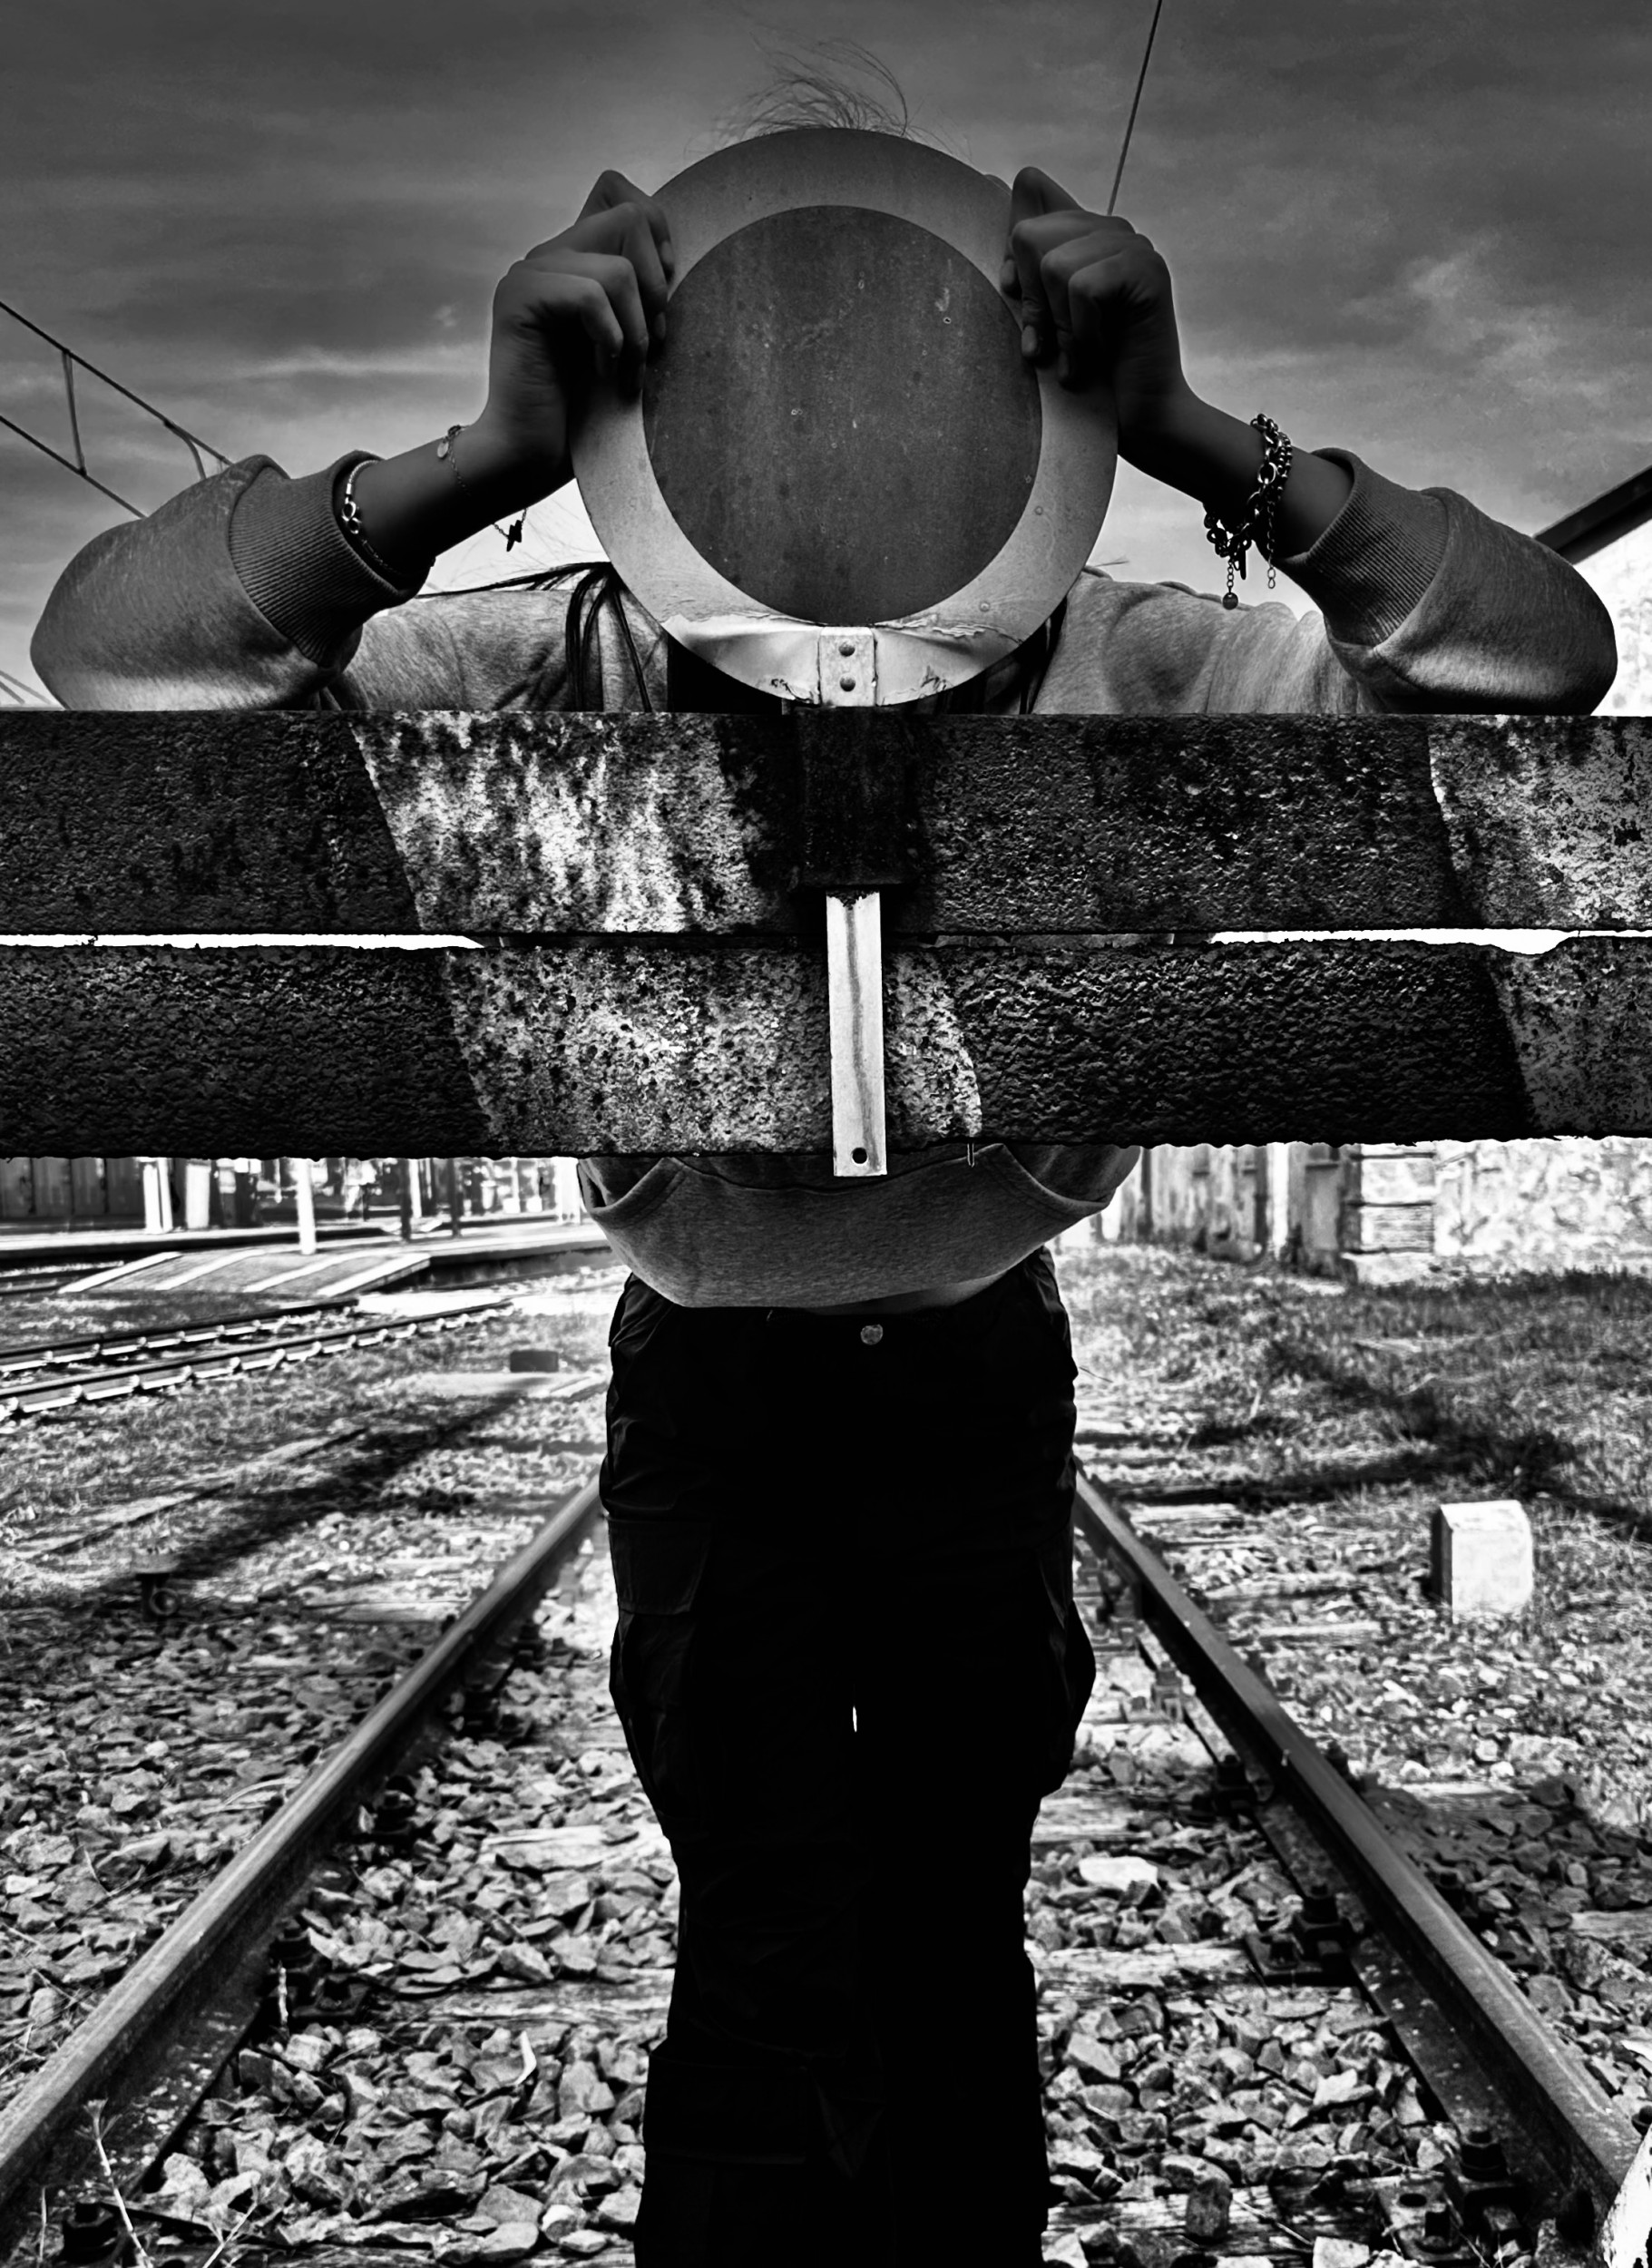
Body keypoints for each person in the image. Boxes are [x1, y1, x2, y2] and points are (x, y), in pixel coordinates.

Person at [30, 57, 1615, 2268]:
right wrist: (487, 453)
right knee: (776, 1921)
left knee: (934, 1917)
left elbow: (1539, 657)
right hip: (736, 1391)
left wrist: (1187, 429)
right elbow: (110, 659)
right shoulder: (561, 647)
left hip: (947, 1378)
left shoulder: (1127, 649)